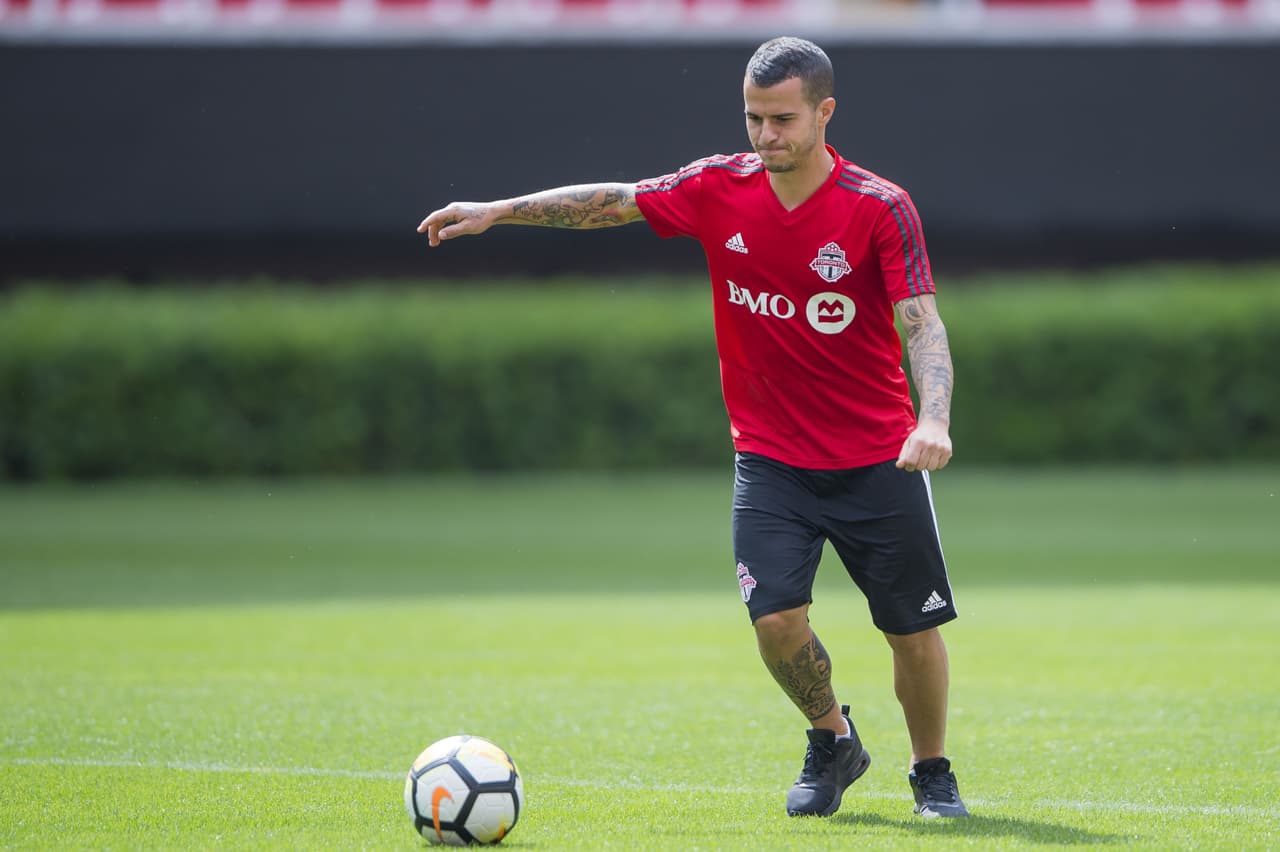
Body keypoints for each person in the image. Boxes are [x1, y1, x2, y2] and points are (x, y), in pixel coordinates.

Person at [417, 36, 968, 820]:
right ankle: (832, 738)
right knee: (776, 622)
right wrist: (499, 211)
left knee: (912, 633)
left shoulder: (879, 206)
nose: (766, 135)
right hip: (771, 461)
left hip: (879, 458)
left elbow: (923, 324)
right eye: (753, 118)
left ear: (825, 112)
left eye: (782, 119)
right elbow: (616, 200)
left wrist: (934, 419)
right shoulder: (719, 186)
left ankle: (932, 773)